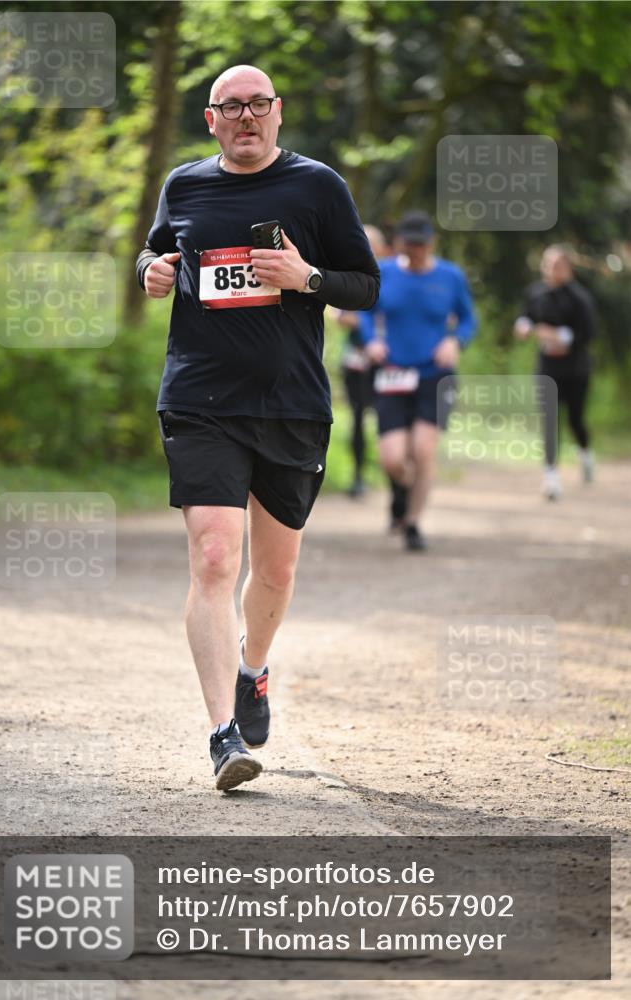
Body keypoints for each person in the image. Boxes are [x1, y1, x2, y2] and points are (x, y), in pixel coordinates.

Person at [136, 65, 379, 791]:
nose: (246, 117)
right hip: (199, 400)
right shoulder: (183, 185)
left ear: (278, 113)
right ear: (211, 119)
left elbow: (365, 286)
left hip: (291, 406)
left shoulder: (318, 187)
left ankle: (253, 669)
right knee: (214, 558)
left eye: (258, 105)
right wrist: (149, 269)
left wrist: (306, 278)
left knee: (274, 572)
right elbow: (156, 249)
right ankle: (222, 736)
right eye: (230, 107)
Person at [359, 210, 476, 551]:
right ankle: (402, 489)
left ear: (431, 244)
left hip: (434, 374)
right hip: (393, 372)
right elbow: (366, 312)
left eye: (422, 245)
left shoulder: (450, 276)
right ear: (399, 245)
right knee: (393, 458)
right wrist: (372, 341)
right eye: (410, 245)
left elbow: (468, 319)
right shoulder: (385, 273)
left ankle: (412, 522)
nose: (416, 251)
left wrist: (455, 340)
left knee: (423, 450)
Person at [514, 245, 596, 500]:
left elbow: (589, 333)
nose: (551, 270)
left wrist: (559, 336)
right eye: (547, 265)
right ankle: (551, 477)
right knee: (549, 421)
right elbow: (525, 317)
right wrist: (524, 327)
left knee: (574, 419)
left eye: (556, 265)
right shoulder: (536, 292)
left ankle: (585, 454)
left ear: (567, 268)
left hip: (575, 369)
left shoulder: (579, 298)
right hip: (547, 368)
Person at [334, 225, 389, 498]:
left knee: (388, 418)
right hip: (356, 358)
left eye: (372, 244)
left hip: (391, 361)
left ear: (383, 249)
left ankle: (392, 475)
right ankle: (358, 475)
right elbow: (340, 316)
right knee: (357, 418)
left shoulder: (394, 275)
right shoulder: (350, 273)